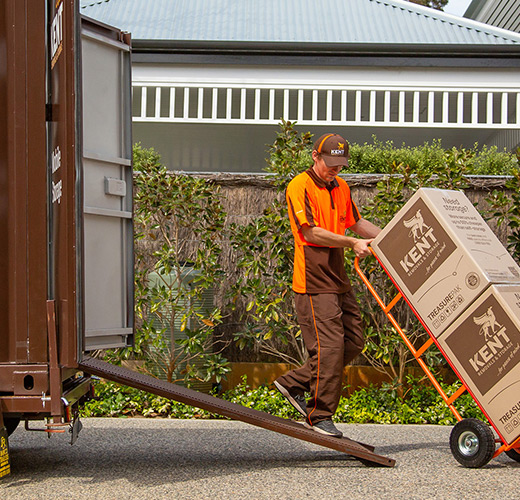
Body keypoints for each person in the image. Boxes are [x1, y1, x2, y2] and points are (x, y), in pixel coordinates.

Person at [273, 133, 381, 438]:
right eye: (330, 164)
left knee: (354, 341)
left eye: (340, 165)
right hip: (312, 280)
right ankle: (319, 415)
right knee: (329, 347)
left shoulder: (341, 187)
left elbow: (357, 224)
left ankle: (294, 382)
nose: (334, 170)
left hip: (337, 278)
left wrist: (391, 238)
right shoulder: (300, 185)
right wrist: (352, 243)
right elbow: (310, 233)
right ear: (315, 156)